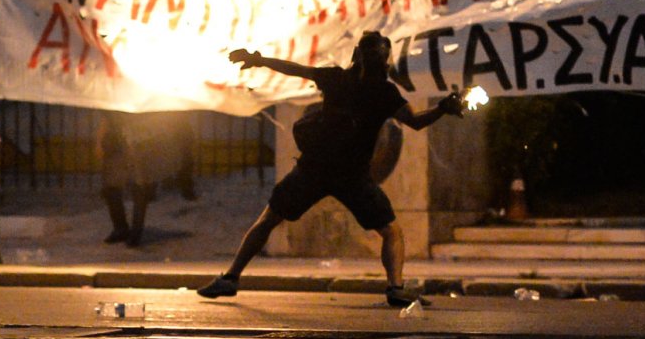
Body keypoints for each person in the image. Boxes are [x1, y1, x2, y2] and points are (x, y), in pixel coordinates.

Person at [196, 31, 466, 307]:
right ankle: (395, 287)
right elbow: (416, 121)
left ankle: (230, 278)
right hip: (351, 176)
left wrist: (258, 60)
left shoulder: (338, 79)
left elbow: (295, 69)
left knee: (268, 220)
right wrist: (443, 107)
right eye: (383, 57)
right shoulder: (383, 92)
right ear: (382, 61)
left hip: (314, 170)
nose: (383, 62)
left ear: (357, 55)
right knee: (391, 231)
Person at [96, 111, 197, 246]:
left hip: (137, 137)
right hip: (118, 138)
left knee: (138, 185)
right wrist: (101, 138)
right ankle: (121, 228)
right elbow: (106, 117)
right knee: (111, 185)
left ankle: (135, 231)